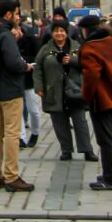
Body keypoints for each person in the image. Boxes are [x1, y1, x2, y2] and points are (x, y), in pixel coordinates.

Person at [0, 0, 33, 192]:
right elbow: (13, 62)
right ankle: (12, 176)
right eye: (17, 13)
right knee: (12, 133)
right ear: (9, 15)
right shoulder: (5, 35)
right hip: (10, 88)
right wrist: (26, 66)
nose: (19, 17)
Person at [33, 20, 97, 161]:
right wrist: (39, 87)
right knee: (60, 123)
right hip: (54, 91)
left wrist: (72, 62)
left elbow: (86, 64)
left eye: (62, 31)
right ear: (52, 33)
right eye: (56, 31)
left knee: (80, 122)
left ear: (67, 32)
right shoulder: (45, 49)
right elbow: (38, 69)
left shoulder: (76, 47)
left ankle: (87, 150)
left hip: (74, 91)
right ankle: (66, 150)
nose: (59, 34)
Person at [79, 14, 112, 190]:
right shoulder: (111, 42)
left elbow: (91, 76)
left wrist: (86, 96)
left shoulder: (91, 48)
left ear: (85, 30)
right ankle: (110, 173)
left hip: (101, 99)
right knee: (109, 137)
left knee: (105, 140)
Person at [17, 21, 41, 148]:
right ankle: (21, 137)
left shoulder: (31, 39)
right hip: (15, 80)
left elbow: (37, 58)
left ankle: (35, 132)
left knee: (34, 110)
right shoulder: (9, 41)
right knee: (18, 110)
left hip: (29, 79)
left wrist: (22, 60)